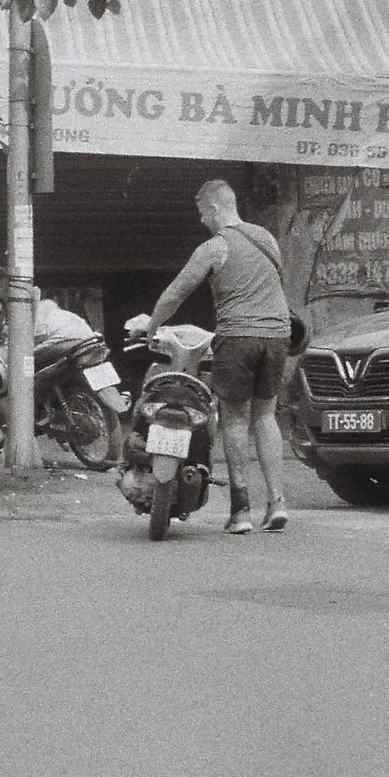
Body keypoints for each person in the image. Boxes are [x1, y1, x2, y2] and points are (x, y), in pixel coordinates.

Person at [149, 179, 290, 534]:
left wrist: (151, 326)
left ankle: (240, 511)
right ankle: (277, 504)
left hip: (239, 337)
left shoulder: (215, 247)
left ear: (214, 209)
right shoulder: (267, 238)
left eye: (202, 214)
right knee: (266, 416)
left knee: (236, 419)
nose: (201, 221)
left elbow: (175, 294)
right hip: (277, 336)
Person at [0, 268, 97, 432]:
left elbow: (22, 340)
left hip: (67, 345)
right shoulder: (50, 310)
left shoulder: (26, 316)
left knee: (19, 369)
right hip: (89, 338)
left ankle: (24, 419)